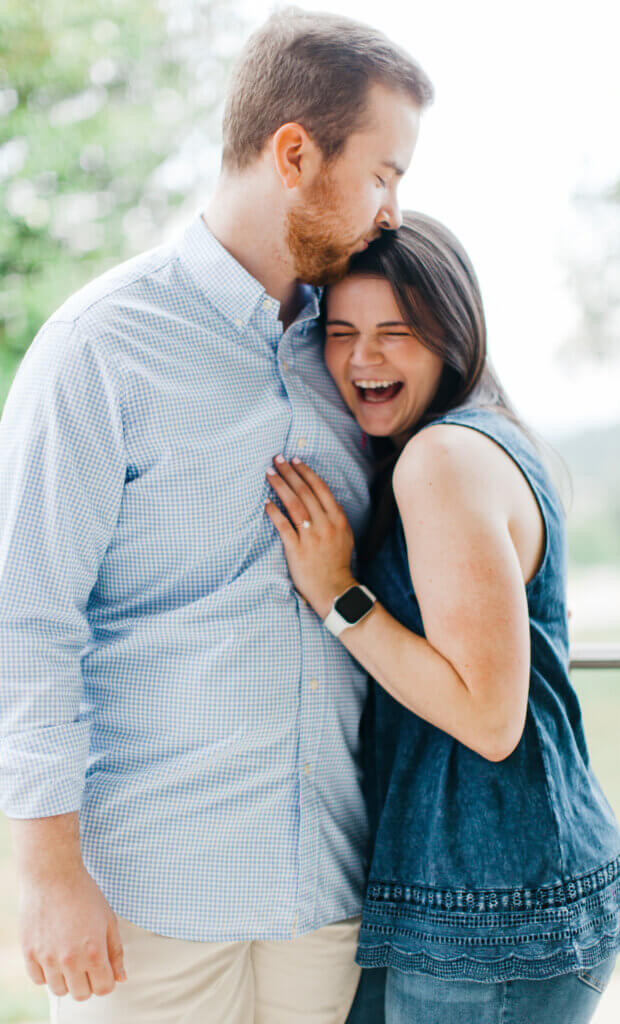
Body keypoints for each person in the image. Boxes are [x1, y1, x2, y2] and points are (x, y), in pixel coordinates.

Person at [0, 10, 433, 1022]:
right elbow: (25, 623)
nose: (393, 212)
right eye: (383, 173)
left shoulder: (349, 355)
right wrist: (48, 872)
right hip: (149, 902)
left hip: (319, 891)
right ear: (293, 152)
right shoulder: (98, 348)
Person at [263, 211, 620, 1024]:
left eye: (394, 332)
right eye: (340, 331)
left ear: (449, 335)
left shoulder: (442, 458)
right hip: (477, 887)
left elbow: (488, 717)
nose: (362, 358)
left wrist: (337, 595)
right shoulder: (471, 439)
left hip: (492, 904)